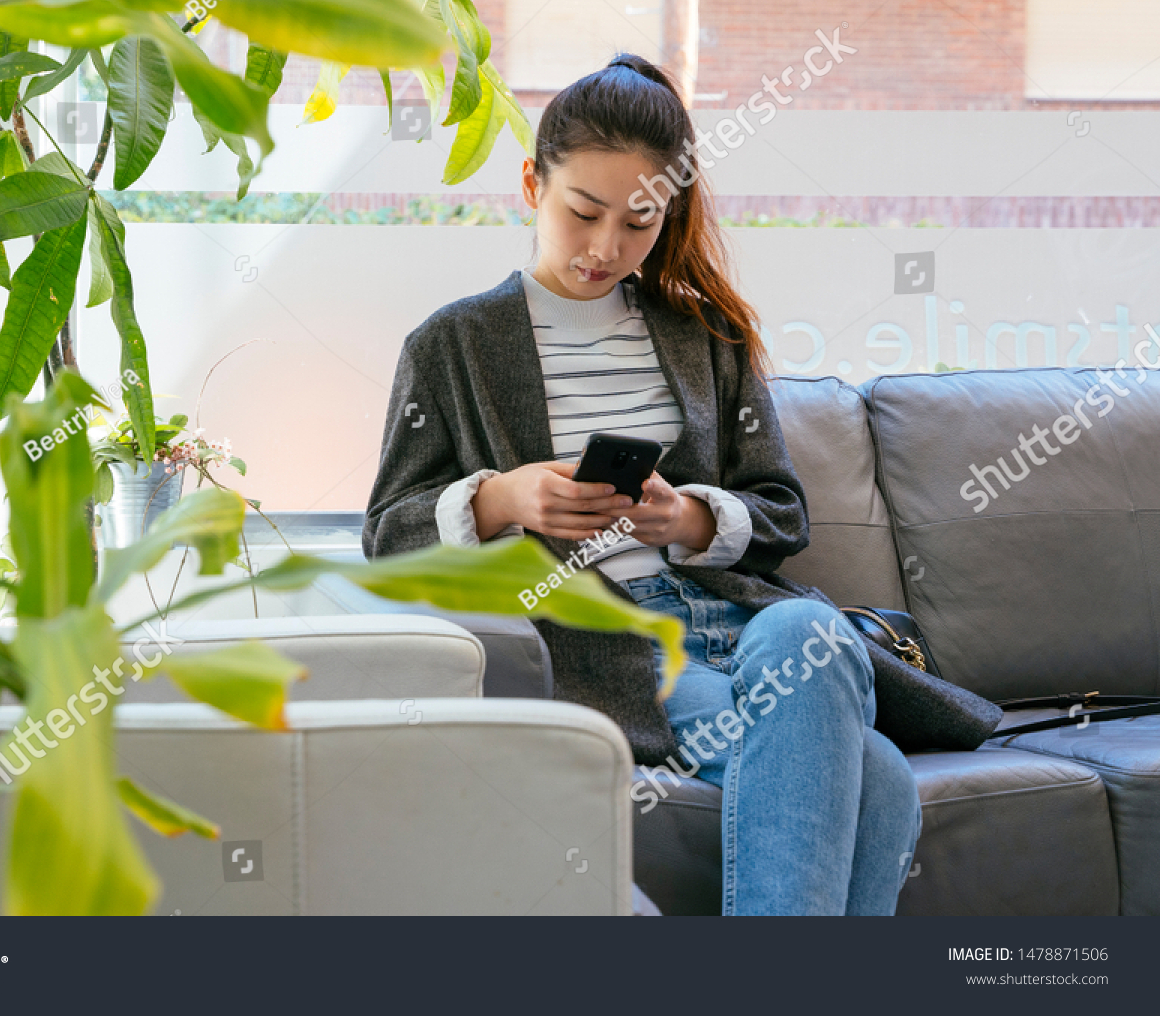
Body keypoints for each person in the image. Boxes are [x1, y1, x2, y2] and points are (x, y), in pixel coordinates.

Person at [362, 53, 920, 915]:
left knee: (806, 627)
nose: (604, 247)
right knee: (880, 778)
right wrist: (501, 499)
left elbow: (780, 510)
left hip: (736, 624)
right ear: (529, 184)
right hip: (625, 655)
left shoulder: (706, 334)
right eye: (583, 212)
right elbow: (387, 536)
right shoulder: (451, 346)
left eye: (639, 222)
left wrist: (688, 516)